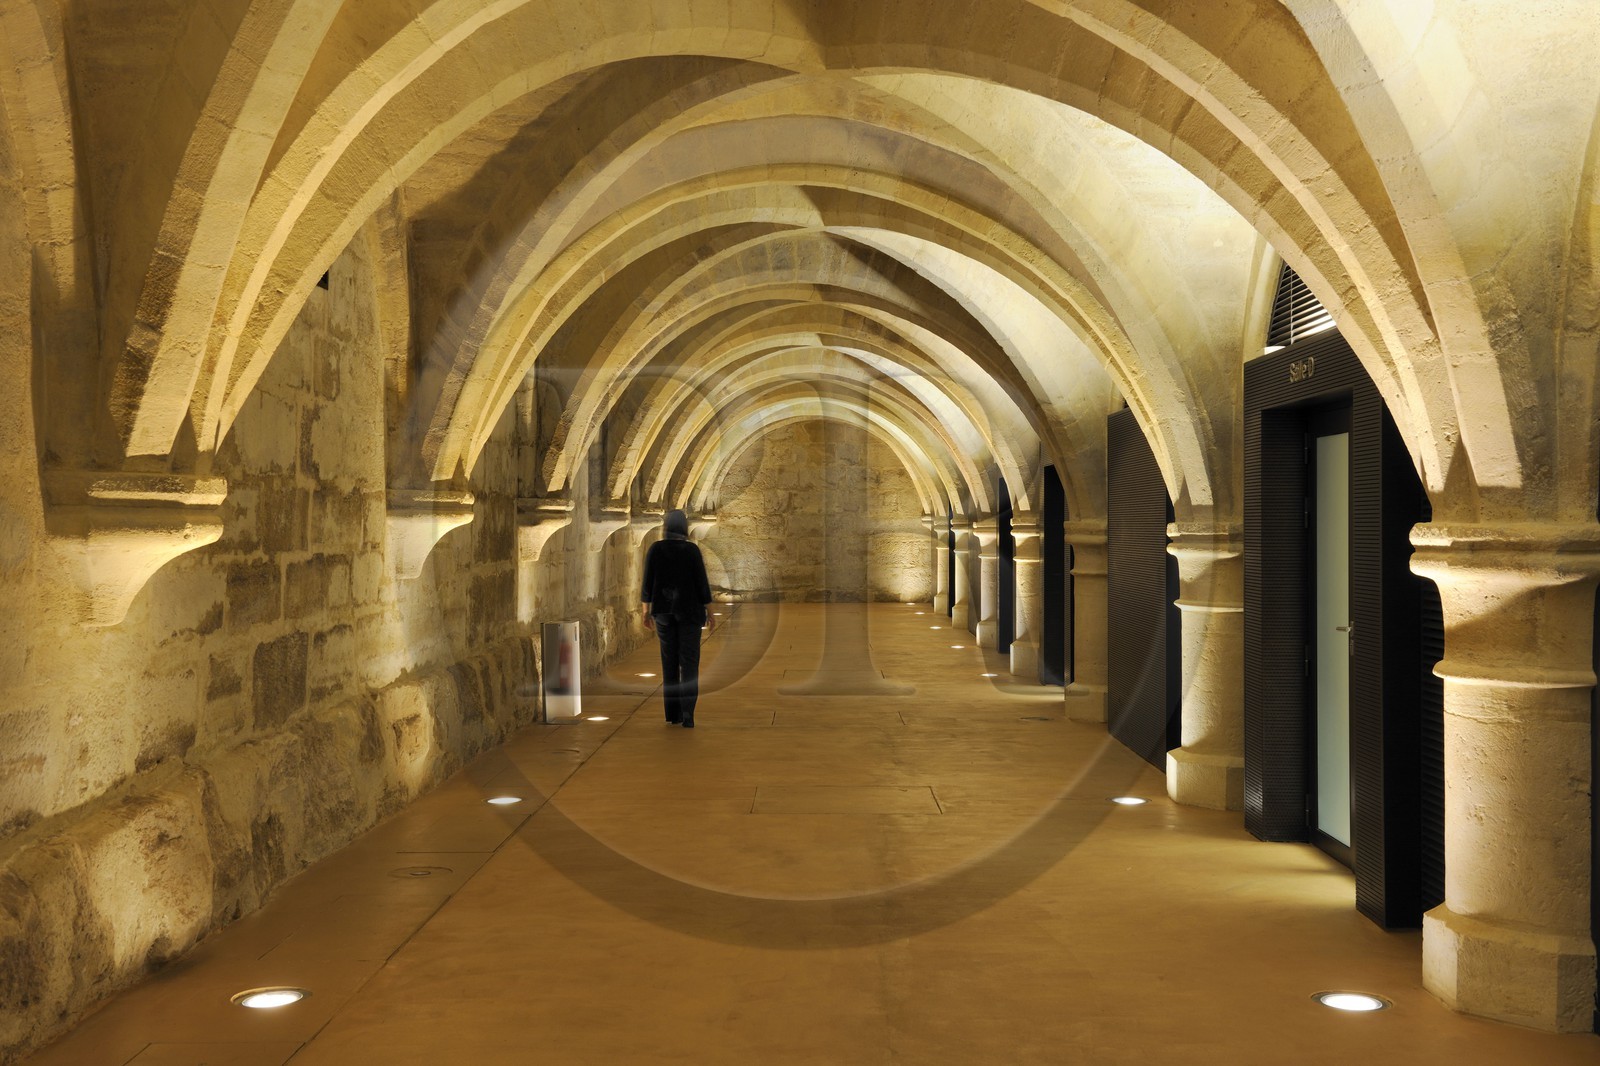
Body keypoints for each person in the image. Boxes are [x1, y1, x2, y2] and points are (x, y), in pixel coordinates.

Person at [640, 509, 714, 727]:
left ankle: (673, 713)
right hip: (690, 613)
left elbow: (647, 583)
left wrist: (645, 611)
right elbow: (702, 583)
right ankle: (688, 712)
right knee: (689, 663)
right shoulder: (691, 551)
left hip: (663, 611)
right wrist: (709, 610)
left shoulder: (655, 549)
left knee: (669, 662)